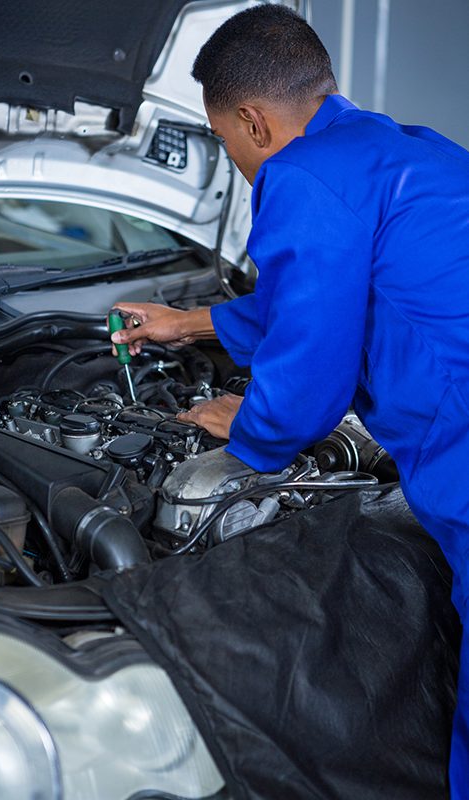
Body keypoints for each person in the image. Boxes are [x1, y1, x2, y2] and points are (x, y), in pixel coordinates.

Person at [110, 5, 469, 793]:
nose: (234, 158)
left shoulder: (300, 177)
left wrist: (254, 434)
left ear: (252, 122)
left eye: (223, 142)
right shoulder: (396, 148)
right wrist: (188, 324)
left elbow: (309, 364)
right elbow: (327, 294)